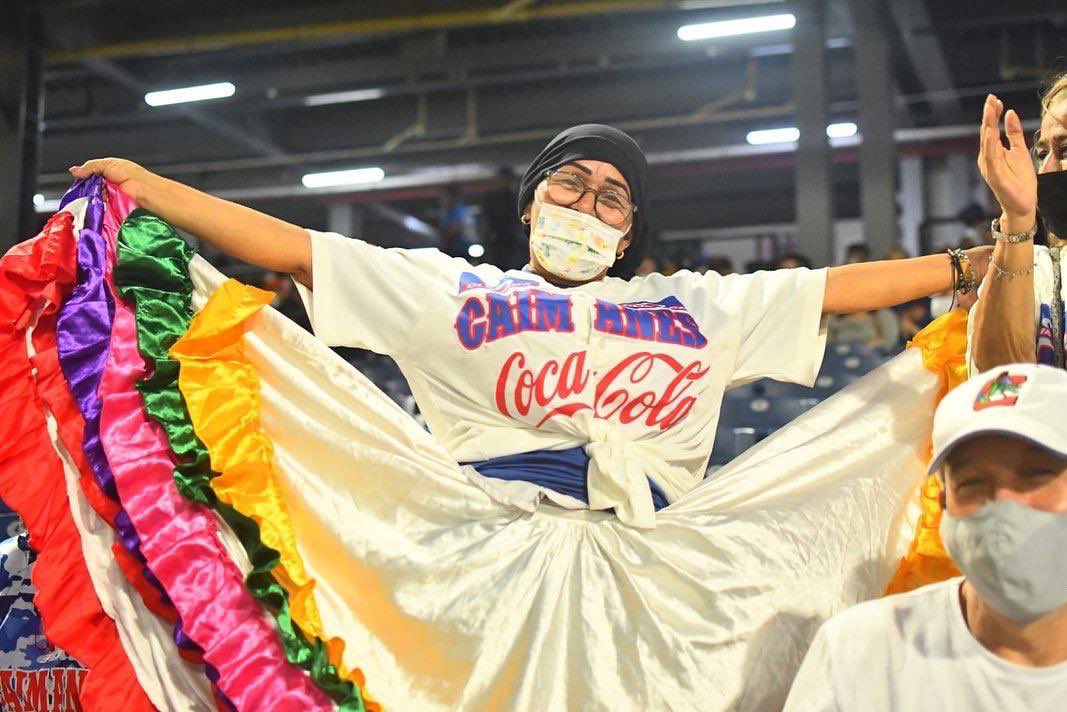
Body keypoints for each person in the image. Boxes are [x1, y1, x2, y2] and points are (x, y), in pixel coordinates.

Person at [70, 123, 991, 525]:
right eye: (570, 184)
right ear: (530, 202)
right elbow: (298, 248)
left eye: (611, 198)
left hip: (659, 552)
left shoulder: (691, 305)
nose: (588, 205)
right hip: (489, 547)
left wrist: (977, 262)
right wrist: (154, 191)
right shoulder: (451, 291)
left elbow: (839, 287)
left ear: (630, 235)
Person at [785, 362, 1067, 712]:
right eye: (973, 483)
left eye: (1038, 475)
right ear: (944, 503)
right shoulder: (861, 650)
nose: (1006, 505)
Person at [970, 77, 1067, 370]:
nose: (1046, 169)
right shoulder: (1037, 271)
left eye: (1065, 150)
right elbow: (1001, 380)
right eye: (1041, 154)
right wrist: (1016, 219)